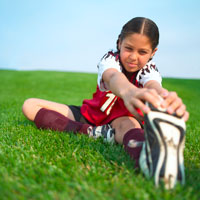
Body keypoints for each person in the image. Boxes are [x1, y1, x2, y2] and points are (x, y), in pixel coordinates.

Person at [22, 17, 189, 189]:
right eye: (129, 48)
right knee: (30, 106)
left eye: (142, 52)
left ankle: (150, 160)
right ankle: (94, 132)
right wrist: (130, 92)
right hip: (92, 114)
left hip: (121, 121)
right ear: (119, 43)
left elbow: (153, 85)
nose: (133, 57)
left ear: (153, 53)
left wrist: (165, 97)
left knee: (129, 125)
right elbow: (113, 77)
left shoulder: (149, 69)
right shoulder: (110, 59)